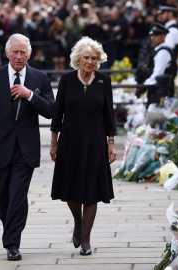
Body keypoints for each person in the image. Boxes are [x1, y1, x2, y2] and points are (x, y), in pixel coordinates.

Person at [50, 36, 117, 256]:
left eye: (93, 58)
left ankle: (86, 238)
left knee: (91, 191)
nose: (89, 61)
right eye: (86, 57)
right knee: (70, 189)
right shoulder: (67, 80)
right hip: (70, 141)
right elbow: (58, 112)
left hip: (96, 141)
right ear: (78, 58)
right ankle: (78, 224)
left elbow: (109, 114)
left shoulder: (103, 81)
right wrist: (53, 142)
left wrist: (111, 143)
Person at [0, 33, 55, 261]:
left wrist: (30, 94)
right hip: (0, 147)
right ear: (7, 53)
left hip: (26, 149)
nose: (19, 56)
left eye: (23, 52)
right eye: (15, 52)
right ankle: (11, 229)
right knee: (3, 197)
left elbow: (52, 110)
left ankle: (12, 243)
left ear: (30, 54)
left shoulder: (39, 78)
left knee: (18, 196)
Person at [136, 22, 177, 108]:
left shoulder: (163, 52)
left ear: (164, 36)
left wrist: (144, 86)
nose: (153, 38)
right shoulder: (157, 50)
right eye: (151, 35)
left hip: (161, 93)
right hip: (156, 92)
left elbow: (157, 75)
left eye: (156, 35)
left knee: (157, 117)